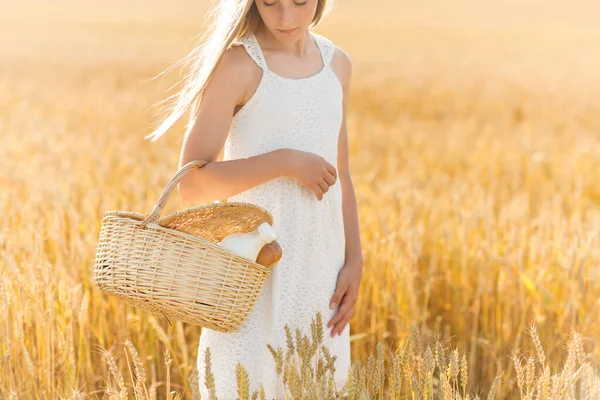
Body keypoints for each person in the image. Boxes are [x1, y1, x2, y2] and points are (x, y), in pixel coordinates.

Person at [144, 0, 363, 397]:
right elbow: (192, 185)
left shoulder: (337, 65)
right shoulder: (239, 66)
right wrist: (284, 162)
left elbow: (342, 175)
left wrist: (355, 259)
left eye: (300, 1)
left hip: (320, 273)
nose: (286, 18)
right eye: (270, 2)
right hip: (251, 276)